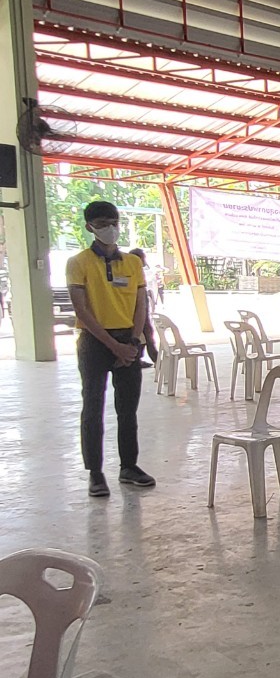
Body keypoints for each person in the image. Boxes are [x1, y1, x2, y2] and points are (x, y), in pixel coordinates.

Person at [68, 201, 154, 498]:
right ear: (90, 226)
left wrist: (133, 342)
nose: (110, 229)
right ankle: (95, 473)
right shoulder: (78, 262)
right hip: (95, 342)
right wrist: (112, 345)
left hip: (128, 341)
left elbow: (140, 305)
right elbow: (81, 309)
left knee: (127, 409)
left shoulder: (132, 263)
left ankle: (129, 466)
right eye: (103, 224)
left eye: (114, 222)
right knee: (92, 407)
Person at [127, 248, 158, 365]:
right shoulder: (130, 274)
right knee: (145, 338)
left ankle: (152, 359)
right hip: (137, 315)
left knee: (147, 338)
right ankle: (153, 360)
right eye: (143, 258)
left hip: (142, 313)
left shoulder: (138, 272)